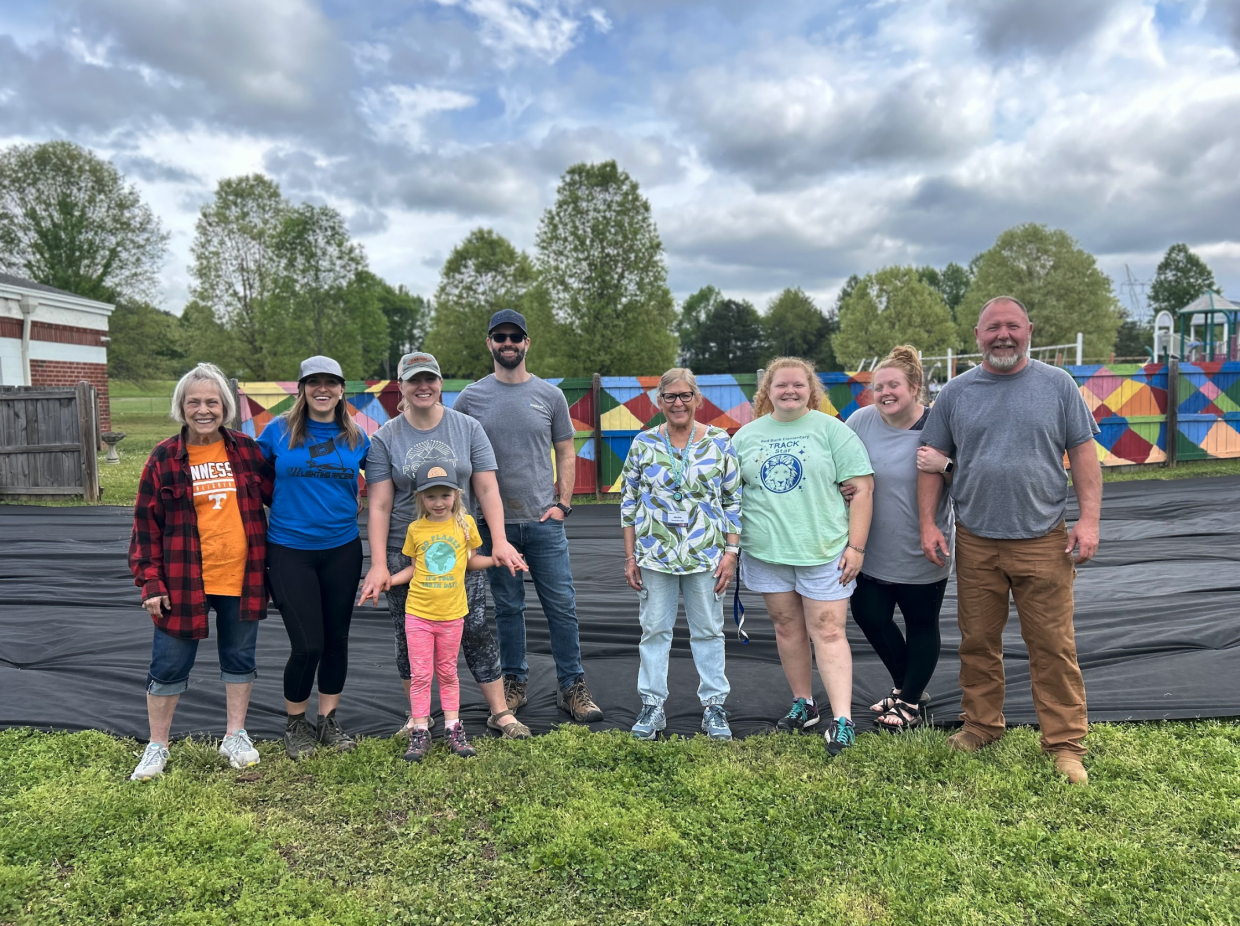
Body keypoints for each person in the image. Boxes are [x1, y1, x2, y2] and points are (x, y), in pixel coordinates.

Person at [918, 296, 1101, 785]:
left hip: (1044, 539)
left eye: (1012, 326)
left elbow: (1084, 455)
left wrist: (1089, 521)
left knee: (1053, 646)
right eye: (993, 327)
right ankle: (982, 724)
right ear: (977, 335)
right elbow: (930, 460)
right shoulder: (956, 393)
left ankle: (1064, 744)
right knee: (978, 641)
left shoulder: (1057, 386)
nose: (1003, 335)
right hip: (976, 540)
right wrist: (928, 525)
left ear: (1029, 330)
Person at [358, 352, 531, 739]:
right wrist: (378, 563)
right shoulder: (386, 437)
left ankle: (500, 712)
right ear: (400, 386)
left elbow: (487, 487)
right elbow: (380, 503)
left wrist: (498, 541)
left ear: (440, 383)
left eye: (430, 379)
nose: (423, 387)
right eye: (414, 380)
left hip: (457, 549)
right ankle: (418, 717)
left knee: (474, 627)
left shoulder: (467, 428)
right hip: (407, 550)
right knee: (409, 632)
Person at [453, 309, 604, 724]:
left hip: (543, 522)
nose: (508, 343)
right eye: (499, 336)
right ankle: (514, 683)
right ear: (489, 343)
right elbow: (460, 458)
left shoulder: (551, 396)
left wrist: (563, 505)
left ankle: (571, 686)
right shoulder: (470, 399)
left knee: (562, 607)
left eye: (515, 337)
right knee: (507, 608)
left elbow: (566, 451)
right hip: (493, 528)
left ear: (526, 343)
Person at [128, 363, 273, 780]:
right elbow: (144, 525)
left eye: (212, 401)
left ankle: (235, 734)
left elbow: (282, 493)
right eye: (195, 402)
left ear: (225, 406)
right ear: (182, 407)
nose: (204, 410)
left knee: (239, 658)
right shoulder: (163, 458)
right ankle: (157, 745)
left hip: (241, 576)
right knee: (169, 663)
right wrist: (150, 582)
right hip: (180, 580)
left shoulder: (246, 451)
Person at [731, 357, 875, 755]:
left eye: (798, 385)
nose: (790, 391)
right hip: (767, 551)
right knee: (786, 628)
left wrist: (856, 547)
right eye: (781, 385)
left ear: (811, 389)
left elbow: (861, 488)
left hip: (823, 550)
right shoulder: (746, 437)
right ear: (768, 392)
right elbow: (730, 493)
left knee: (828, 631)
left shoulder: (832, 431)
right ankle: (804, 703)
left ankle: (843, 719)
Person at [362, 461, 522, 761]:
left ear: (456, 495)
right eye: (431, 496)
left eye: (445, 495)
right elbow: (412, 568)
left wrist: (495, 559)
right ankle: (420, 730)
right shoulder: (415, 530)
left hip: (452, 615)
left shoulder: (466, 526)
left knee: (448, 672)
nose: (438, 502)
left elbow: (470, 562)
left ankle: (453, 728)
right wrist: (388, 581)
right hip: (418, 615)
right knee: (421, 674)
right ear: (420, 497)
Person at [257, 356, 369, 760]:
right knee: (307, 645)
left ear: (342, 389)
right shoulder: (277, 432)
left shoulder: (358, 438)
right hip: (289, 550)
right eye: (314, 382)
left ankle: (328, 721)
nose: (323, 389)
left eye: (332, 382)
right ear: (302, 388)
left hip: (342, 549)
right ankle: (295, 723)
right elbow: (252, 477)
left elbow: (384, 487)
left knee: (336, 639)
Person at [620, 368, 742, 741]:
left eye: (685, 395)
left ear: (697, 399)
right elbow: (628, 502)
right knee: (654, 630)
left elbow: (733, 500)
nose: (678, 403)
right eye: (670, 396)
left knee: (708, 630)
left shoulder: (720, 442)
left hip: (706, 555)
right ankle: (653, 705)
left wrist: (732, 552)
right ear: (659, 402)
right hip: (655, 556)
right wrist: (630, 557)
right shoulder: (643, 444)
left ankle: (714, 707)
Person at [843, 346, 954, 732]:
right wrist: (840, 486)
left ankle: (908, 699)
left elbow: (965, 476)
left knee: (922, 623)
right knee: (868, 615)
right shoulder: (860, 421)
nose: (885, 393)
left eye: (894, 385)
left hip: (921, 546)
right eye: (878, 387)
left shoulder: (939, 423)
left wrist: (947, 466)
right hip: (871, 547)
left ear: (915, 386)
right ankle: (910, 687)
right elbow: (839, 463)